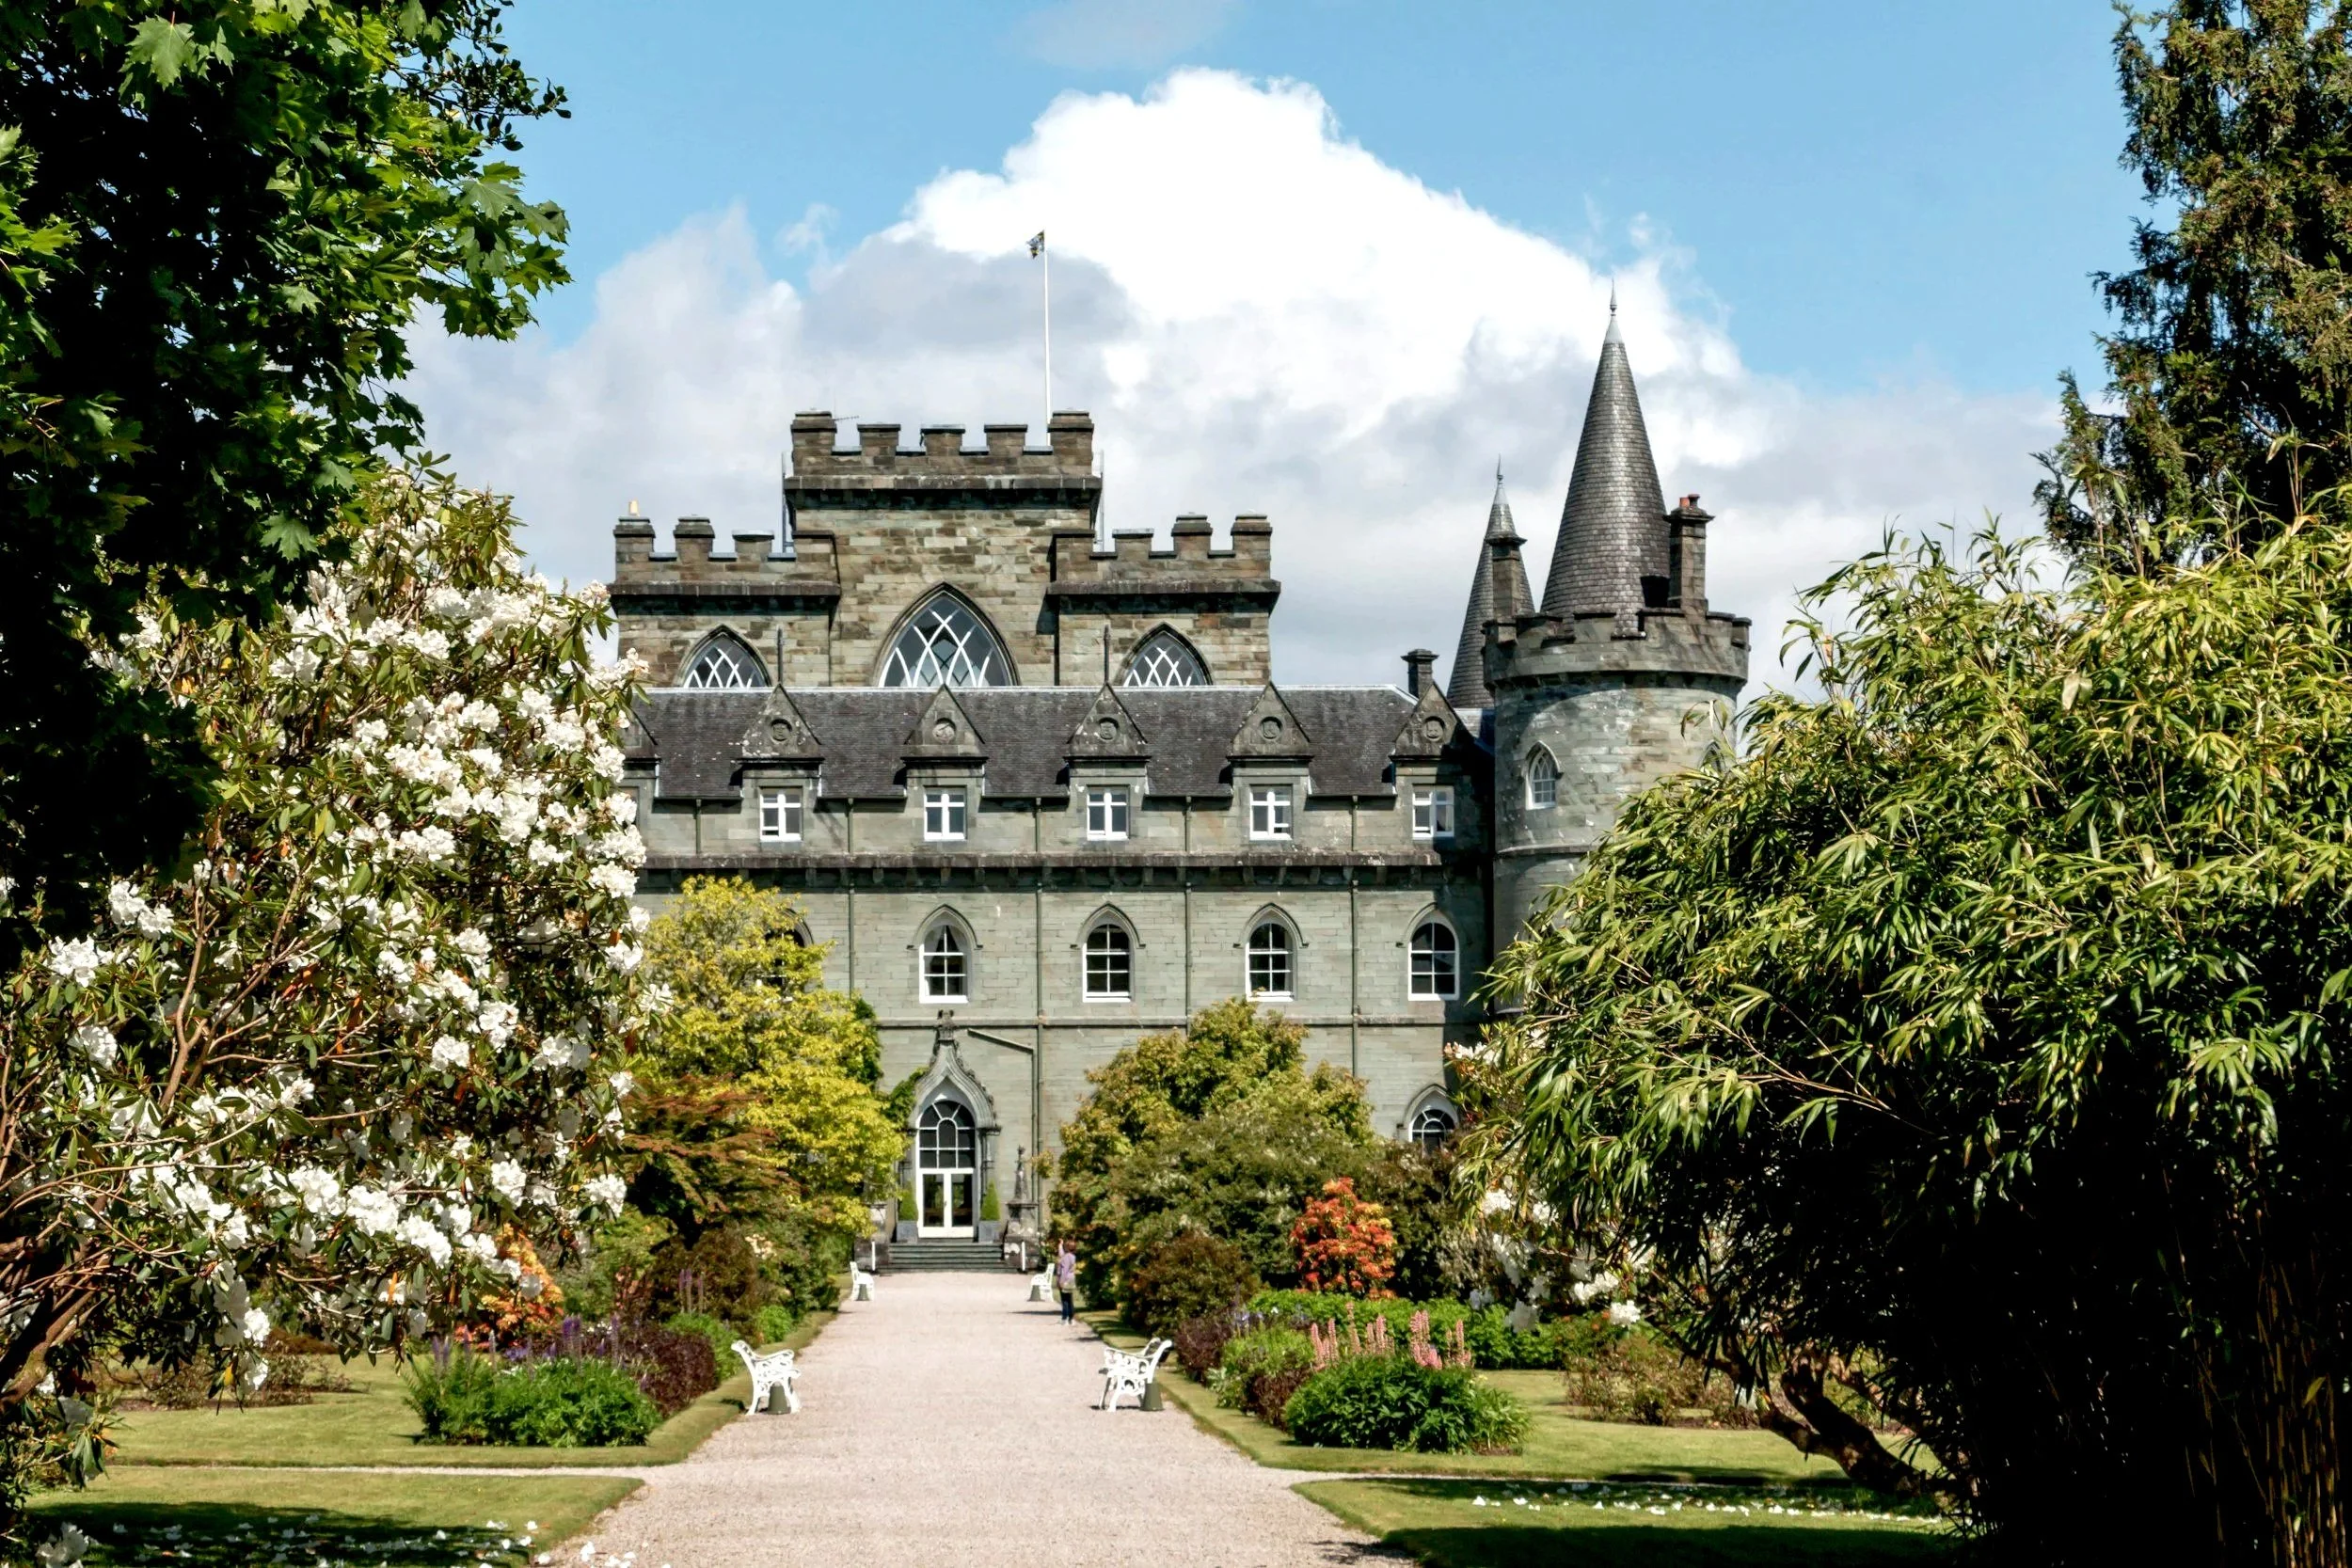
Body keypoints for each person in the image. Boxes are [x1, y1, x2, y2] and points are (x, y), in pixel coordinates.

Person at [1055, 1242, 1077, 1324]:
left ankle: (1065, 1318)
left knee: (1064, 1300)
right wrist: (1060, 1244)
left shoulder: (1065, 1258)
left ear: (1067, 1248)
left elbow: (1064, 1271)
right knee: (1070, 1299)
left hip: (1065, 1280)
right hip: (1071, 1280)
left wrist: (1060, 1282)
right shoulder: (1073, 1257)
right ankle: (1071, 1319)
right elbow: (1061, 1254)